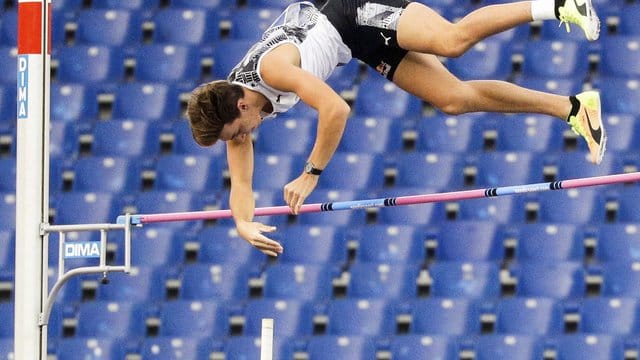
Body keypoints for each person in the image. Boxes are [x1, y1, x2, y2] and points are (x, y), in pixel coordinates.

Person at [187, 0, 607, 256]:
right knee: (454, 99)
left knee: (452, 40)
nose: (243, 139)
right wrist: (242, 224)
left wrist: (311, 173)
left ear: (241, 105)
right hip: (352, 40)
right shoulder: (235, 109)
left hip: (352, 9)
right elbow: (241, 187)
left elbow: (335, 110)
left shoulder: (272, 71)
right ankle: (572, 109)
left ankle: (558, 5)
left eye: (236, 132)